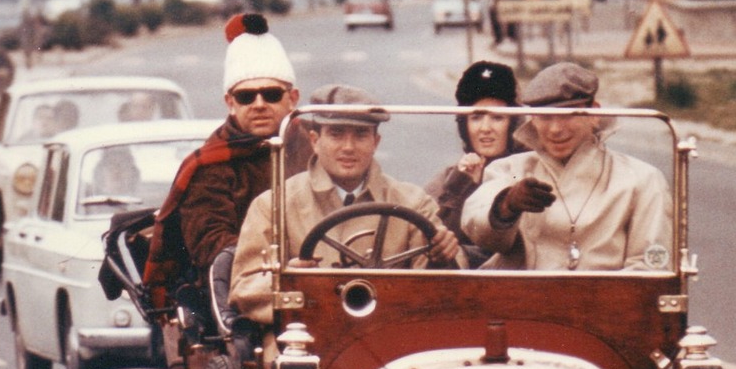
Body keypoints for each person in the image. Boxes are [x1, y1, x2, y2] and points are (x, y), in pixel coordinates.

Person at [230, 84, 463, 325]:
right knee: (280, 362)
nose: (348, 147)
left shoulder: (413, 203)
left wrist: (442, 255)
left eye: (361, 135)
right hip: (304, 333)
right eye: (336, 133)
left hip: (390, 332)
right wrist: (290, 280)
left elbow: (443, 294)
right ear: (315, 140)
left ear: (376, 142)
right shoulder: (274, 205)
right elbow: (243, 289)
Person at [143, 11, 306, 309]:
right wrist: (286, 266)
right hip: (242, 292)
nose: (259, 105)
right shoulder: (210, 165)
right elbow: (211, 244)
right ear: (230, 103)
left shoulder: (315, 148)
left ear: (292, 98)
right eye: (246, 97)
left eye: (271, 94)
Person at [461, 62, 672, 271]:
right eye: (545, 117)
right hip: (521, 299)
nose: (555, 129)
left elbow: (652, 266)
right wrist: (506, 205)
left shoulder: (642, 180)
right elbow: (477, 230)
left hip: (608, 301)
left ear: (594, 114)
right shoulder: (511, 171)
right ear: (532, 119)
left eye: (567, 114)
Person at [425, 60, 524, 267]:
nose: (485, 128)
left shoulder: (528, 170)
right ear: (464, 125)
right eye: (476, 117)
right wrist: (460, 186)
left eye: (497, 118)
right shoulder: (450, 178)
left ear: (512, 124)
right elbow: (426, 240)